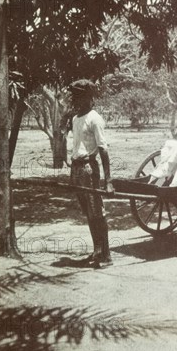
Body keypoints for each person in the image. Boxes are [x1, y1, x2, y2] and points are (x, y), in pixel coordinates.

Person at [67, 79, 113, 267]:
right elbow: (77, 145)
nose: (77, 101)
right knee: (88, 212)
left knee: (97, 213)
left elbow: (103, 149)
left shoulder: (95, 118)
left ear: (89, 98)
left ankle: (106, 255)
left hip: (89, 168)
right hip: (77, 168)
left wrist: (108, 180)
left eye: (80, 97)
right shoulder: (75, 119)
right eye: (75, 97)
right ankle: (97, 250)